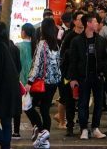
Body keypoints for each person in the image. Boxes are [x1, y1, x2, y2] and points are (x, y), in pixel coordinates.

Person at [67, 12, 107, 139]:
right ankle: (84, 128)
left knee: (98, 103)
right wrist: (72, 78)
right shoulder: (76, 41)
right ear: (89, 23)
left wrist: (103, 71)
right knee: (82, 103)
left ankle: (95, 128)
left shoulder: (101, 40)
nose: (97, 24)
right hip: (82, 77)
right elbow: (72, 60)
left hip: (98, 76)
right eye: (95, 21)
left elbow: (105, 58)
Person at [27, 18, 63, 149]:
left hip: (42, 82)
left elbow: (37, 64)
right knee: (44, 109)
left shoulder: (42, 43)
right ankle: (45, 140)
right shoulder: (56, 43)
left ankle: (41, 131)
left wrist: (30, 81)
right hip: (54, 82)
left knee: (28, 105)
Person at [58, 12, 86, 137]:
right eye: (79, 19)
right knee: (69, 101)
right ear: (74, 21)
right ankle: (69, 126)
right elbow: (62, 54)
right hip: (69, 74)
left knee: (83, 101)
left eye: (83, 20)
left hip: (84, 74)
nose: (82, 22)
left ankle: (83, 126)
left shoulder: (88, 35)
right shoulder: (69, 36)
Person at [18, 23, 38, 139]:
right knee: (30, 105)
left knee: (25, 106)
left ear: (24, 32)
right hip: (34, 82)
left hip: (21, 81)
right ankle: (36, 126)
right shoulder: (35, 45)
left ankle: (36, 126)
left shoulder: (18, 46)